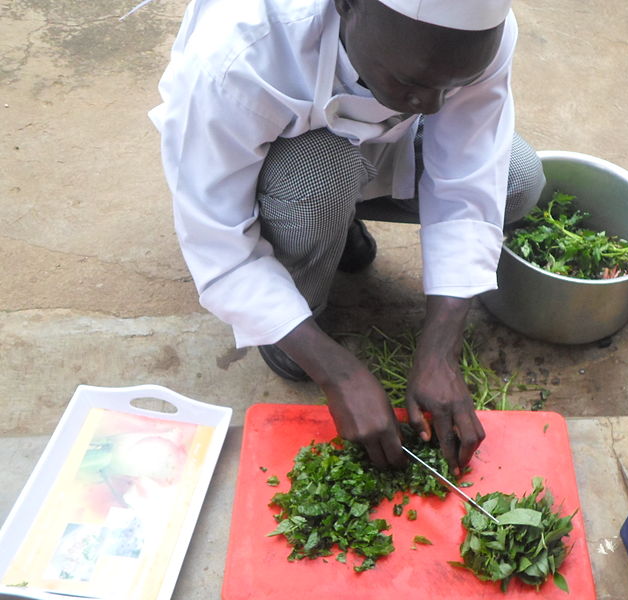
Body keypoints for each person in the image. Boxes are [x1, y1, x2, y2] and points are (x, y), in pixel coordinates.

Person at [150, 0, 546, 475]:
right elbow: (217, 239)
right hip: (284, 169)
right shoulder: (239, 54)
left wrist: (440, 348)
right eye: (414, 82)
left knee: (517, 180)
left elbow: (469, 178)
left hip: (376, 152)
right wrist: (337, 373)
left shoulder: (474, 38)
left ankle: (336, 220)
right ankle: (299, 296)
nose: (435, 106)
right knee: (318, 175)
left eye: (452, 85)